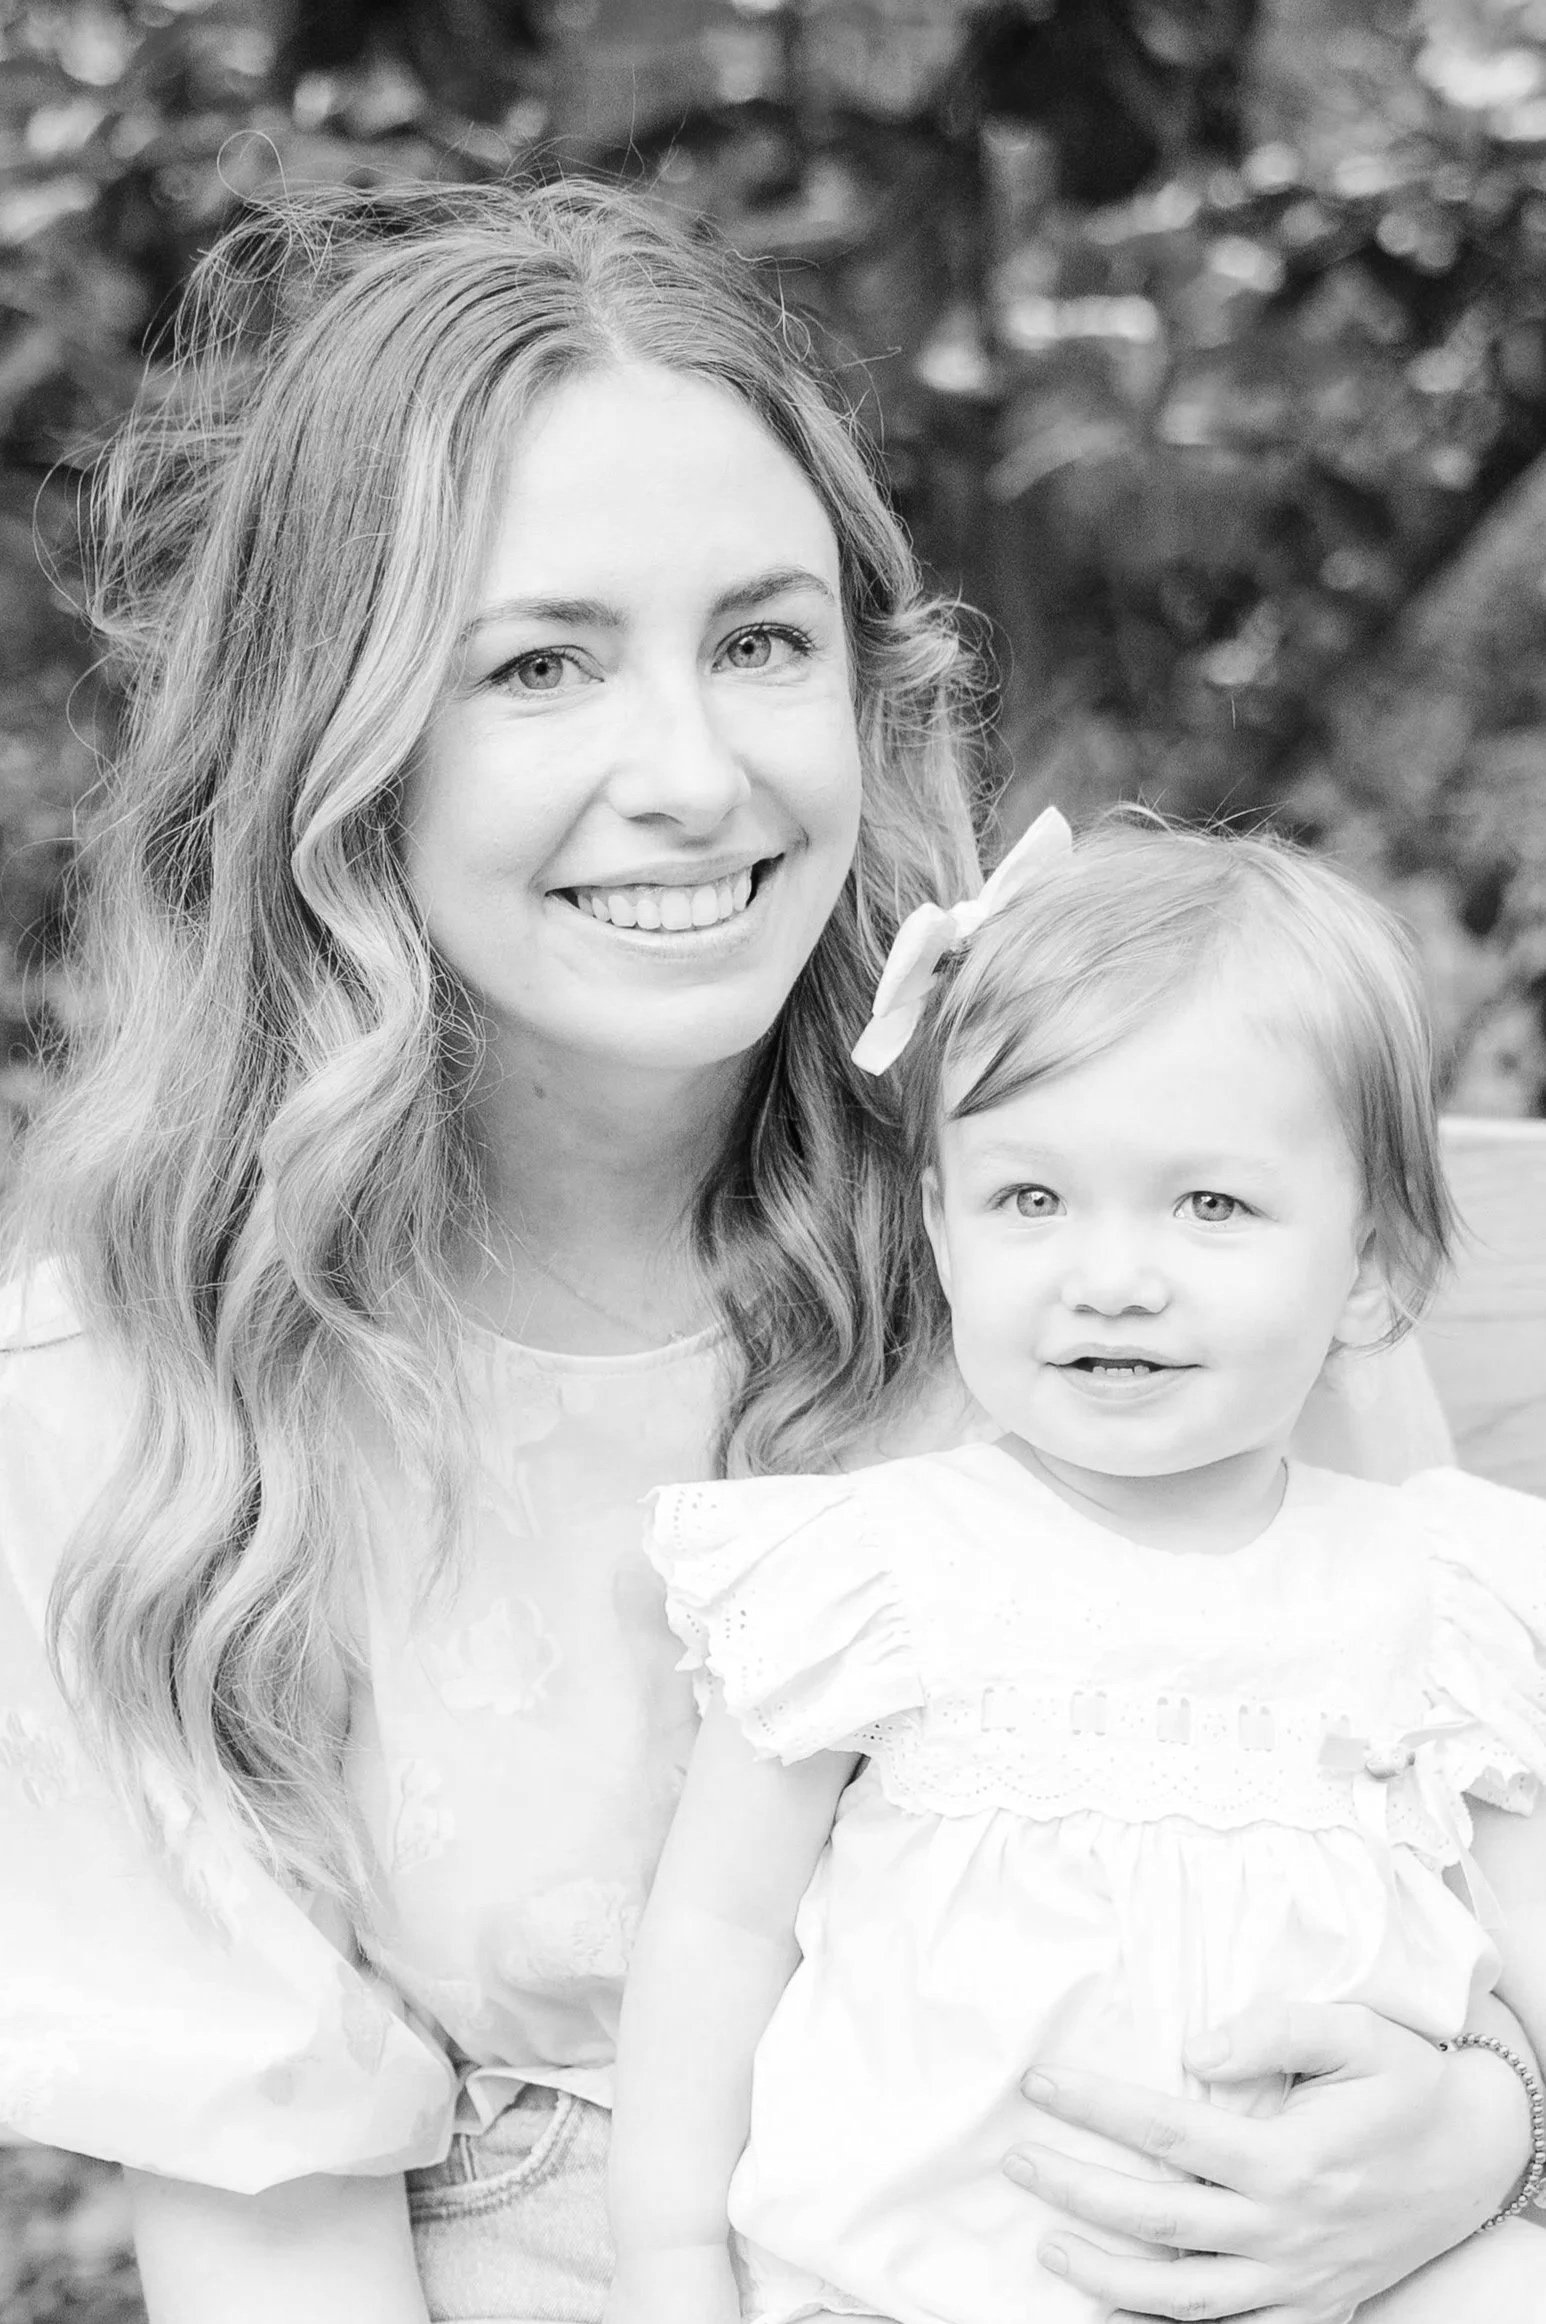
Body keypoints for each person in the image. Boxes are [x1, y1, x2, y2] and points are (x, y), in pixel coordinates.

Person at [0, 178, 1532, 2324]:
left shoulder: (1092, 1192)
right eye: (537, 663)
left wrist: (1478, 2118)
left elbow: (1448, 1768)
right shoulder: (136, 1389)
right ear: (333, 745)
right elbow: (279, 2254)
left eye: (757, 639)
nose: (693, 774)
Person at [609, 813, 1546, 2324]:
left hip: (1348, 2277)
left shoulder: (1438, 1597)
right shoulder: (873, 1573)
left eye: (1210, 1205)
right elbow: (712, 1934)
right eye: (1031, 1201)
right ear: (940, 1226)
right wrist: (666, 2268)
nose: (1110, 1274)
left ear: (1366, 1260)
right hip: (915, 2287)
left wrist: (1496, 2142)